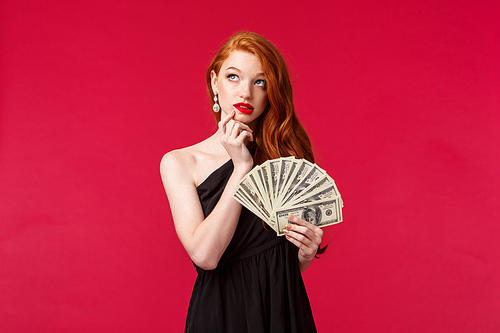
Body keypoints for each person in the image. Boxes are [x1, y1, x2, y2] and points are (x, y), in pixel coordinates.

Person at [160, 31, 325, 333]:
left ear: (271, 92)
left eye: (259, 82)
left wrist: (303, 255)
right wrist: (241, 167)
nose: (245, 93)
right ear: (214, 83)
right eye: (233, 77)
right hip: (222, 313)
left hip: (282, 308)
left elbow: (276, 260)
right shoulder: (180, 163)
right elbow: (205, 255)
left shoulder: (287, 156)